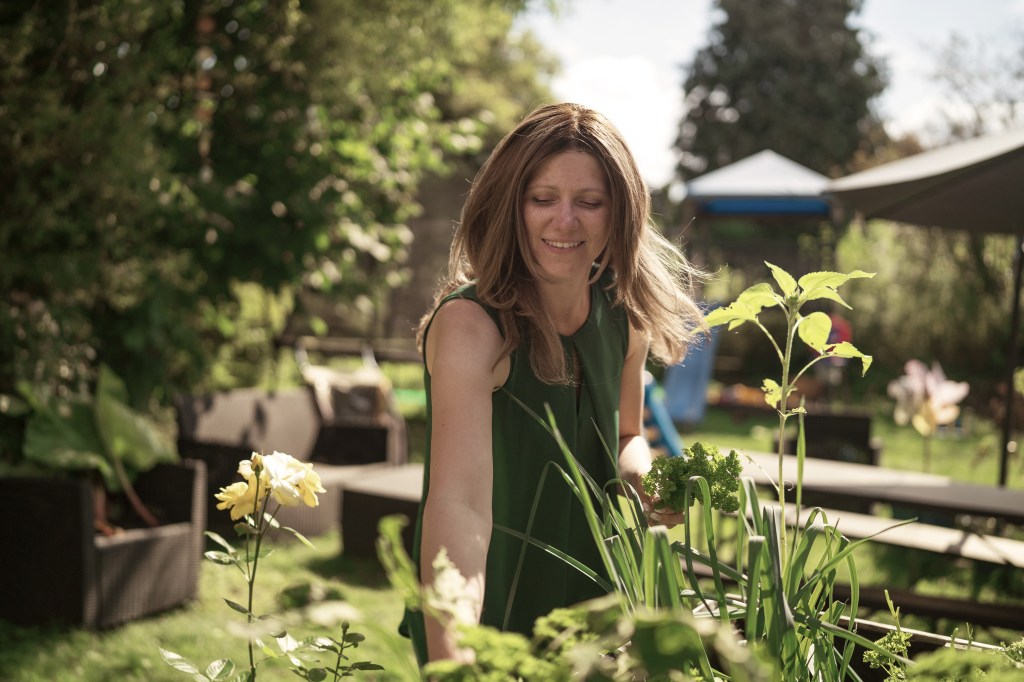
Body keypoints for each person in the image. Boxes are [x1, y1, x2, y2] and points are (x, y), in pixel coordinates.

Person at [400, 102, 707, 665]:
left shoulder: (624, 313)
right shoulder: (473, 326)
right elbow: (458, 505)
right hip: (491, 609)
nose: (565, 222)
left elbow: (625, 435)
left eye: (589, 203)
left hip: (601, 610)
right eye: (542, 199)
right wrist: (456, 654)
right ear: (509, 207)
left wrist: (647, 479)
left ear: (621, 214)